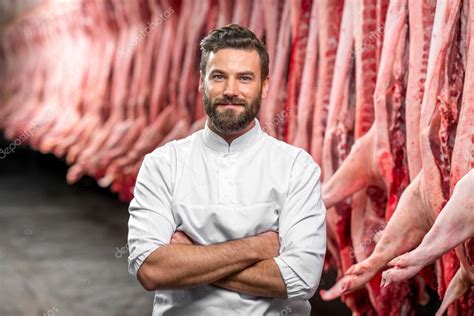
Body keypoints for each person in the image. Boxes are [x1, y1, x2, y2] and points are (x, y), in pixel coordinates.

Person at [127, 24, 326, 315]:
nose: (231, 91)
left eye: (245, 78)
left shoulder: (297, 167)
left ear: (265, 85)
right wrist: (259, 247)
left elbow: (302, 277)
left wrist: (188, 258)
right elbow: (150, 270)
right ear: (201, 82)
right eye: (219, 77)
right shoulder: (162, 164)